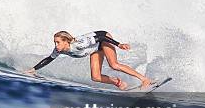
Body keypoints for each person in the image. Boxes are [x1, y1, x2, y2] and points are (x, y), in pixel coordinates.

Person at [24, 30, 152, 90]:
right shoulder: (59, 50)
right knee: (95, 77)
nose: (56, 45)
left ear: (66, 41)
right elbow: (48, 59)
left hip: (103, 40)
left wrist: (118, 44)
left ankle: (145, 79)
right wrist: (33, 70)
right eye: (55, 42)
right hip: (95, 49)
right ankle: (119, 83)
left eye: (58, 42)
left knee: (114, 64)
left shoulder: (79, 44)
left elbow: (101, 36)